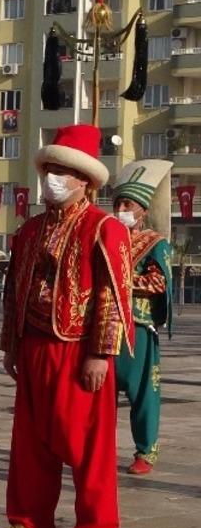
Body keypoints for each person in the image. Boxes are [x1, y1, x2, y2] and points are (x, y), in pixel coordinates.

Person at [0, 124, 132, 528]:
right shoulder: (29, 230)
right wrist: (11, 345)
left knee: (88, 442)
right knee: (30, 440)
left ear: (84, 180)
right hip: (34, 344)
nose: (53, 178)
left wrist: (100, 353)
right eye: (49, 169)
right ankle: (29, 520)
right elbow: (15, 290)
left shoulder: (104, 228)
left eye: (62, 171)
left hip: (77, 348)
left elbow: (113, 293)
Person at [112, 160, 173, 475]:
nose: (122, 208)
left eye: (128, 204)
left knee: (143, 393)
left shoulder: (155, 243)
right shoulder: (104, 237)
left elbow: (158, 283)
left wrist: (121, 282)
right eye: (119, 203)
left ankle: (145, 451)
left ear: (143, 211)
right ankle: (95, 450)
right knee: (97, 394)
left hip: (138, 325)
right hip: (104, 325)